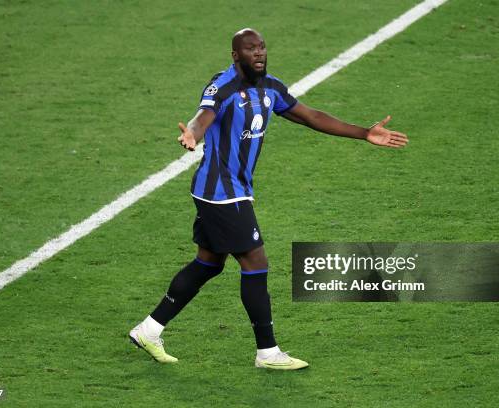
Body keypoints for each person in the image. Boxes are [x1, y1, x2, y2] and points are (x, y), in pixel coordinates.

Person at [129, 28, 408, 370]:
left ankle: (149, 329)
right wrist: (192, 133)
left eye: (261, 47)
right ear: (236, 55)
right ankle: (267, 352)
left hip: (234, 190)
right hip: (221, 193)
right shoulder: (224, 86)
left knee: (208, 263)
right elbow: (203, 117)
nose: (259, 53)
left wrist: (364, 133)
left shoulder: (270, 87)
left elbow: (310, 116)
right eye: (250, 49)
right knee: (255, 263)